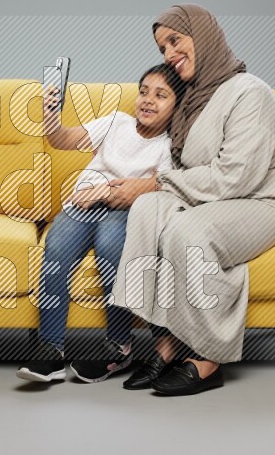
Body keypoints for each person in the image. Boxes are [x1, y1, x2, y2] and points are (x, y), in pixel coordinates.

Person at [109, 3, 275, 395]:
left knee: (186, 231)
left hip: (259, 203)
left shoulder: (251, 92)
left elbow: (236, 177)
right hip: (209, 199)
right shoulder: (192, 98)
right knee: (147, 211)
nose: (168, 54)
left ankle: (210, 357)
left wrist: (155, 184)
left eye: (175, 40)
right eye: (162, 48)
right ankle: (166, 340)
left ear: (204, 35)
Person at [16, 64, 185, 383]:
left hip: (125, 209)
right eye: (144, 92)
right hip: (83, 205)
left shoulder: (167, 146)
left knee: (111, 247)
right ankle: (51, 350)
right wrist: (51, 117)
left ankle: (118, 347)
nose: (148, 100)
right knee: (56, 250)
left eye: (161, 95)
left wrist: (103, 190)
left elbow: (154, 186)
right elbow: (62, 139)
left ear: (177, 106)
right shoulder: (116, 122)